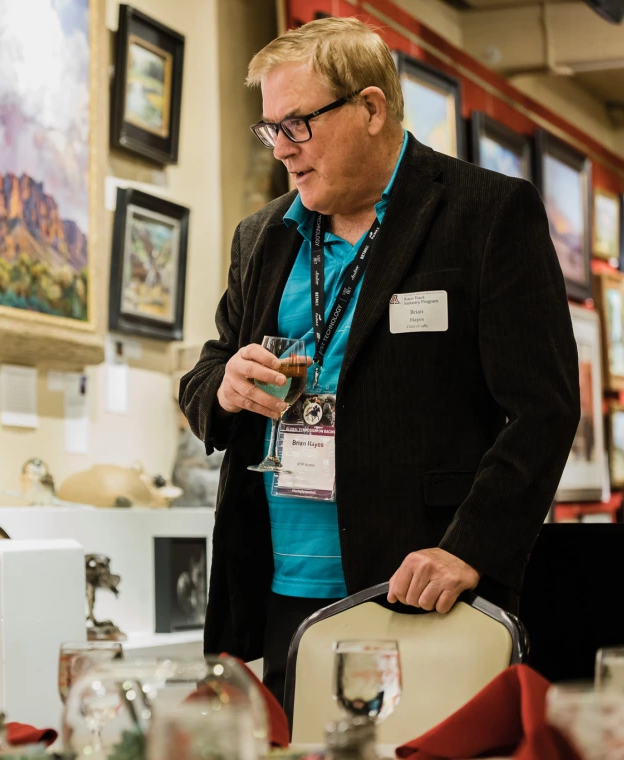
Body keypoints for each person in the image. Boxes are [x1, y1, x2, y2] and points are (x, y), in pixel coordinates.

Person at [178, 17, 579, 703]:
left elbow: (542, 411)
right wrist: (224, 387)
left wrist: (469, 549)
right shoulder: (263, 237)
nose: (281, 150)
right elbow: (205, 373)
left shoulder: (485, 214)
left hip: (419, 589)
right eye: (270, 128)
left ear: (370, 107)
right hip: (280, 592)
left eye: (297, 124)